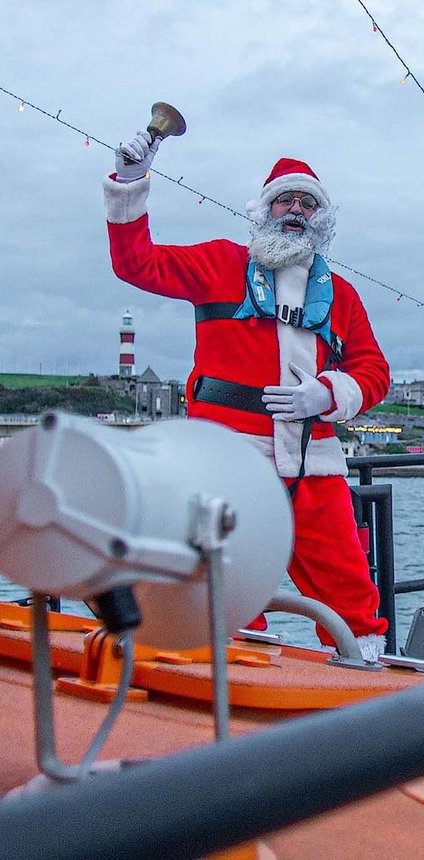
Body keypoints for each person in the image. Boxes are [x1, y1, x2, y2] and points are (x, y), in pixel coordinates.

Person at [104, 131, 391, 662]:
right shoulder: (220, 264)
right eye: (286, 199)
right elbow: (136, 263)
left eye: (308, 203)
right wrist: (129, 183)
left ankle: (365, 682)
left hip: (313, 463)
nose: (297, 210)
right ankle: (230, 683)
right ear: (264, 208)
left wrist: (327, 393)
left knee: (350, 594)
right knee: (226, 588)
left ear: (321, 218)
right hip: (226, 461)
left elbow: (373, 370)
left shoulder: (343, 295)